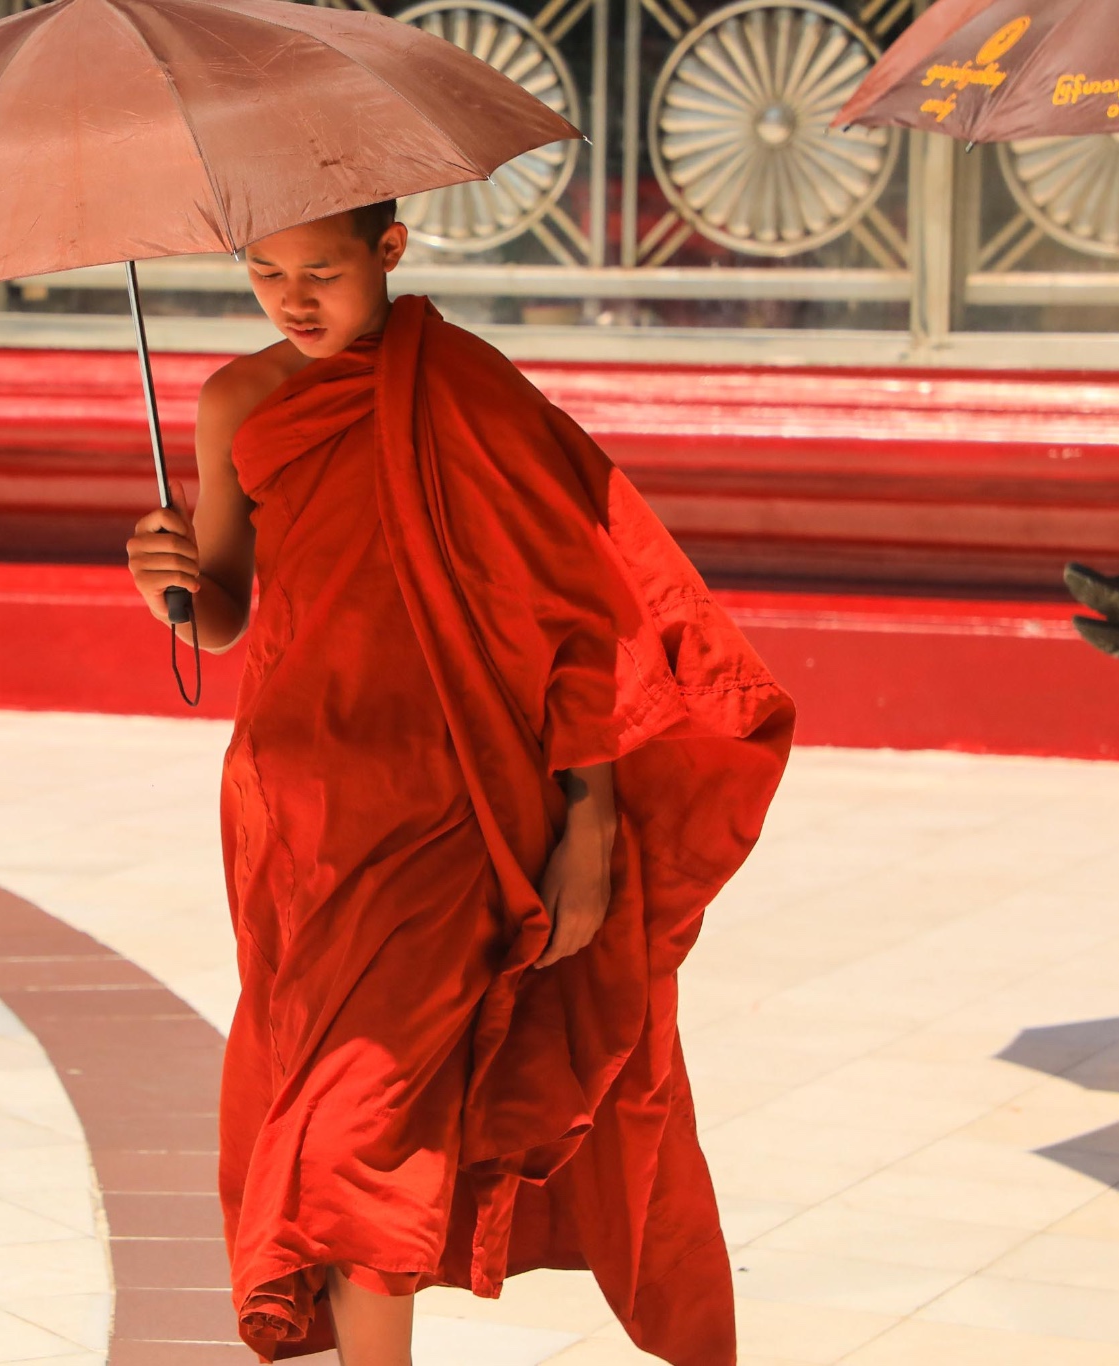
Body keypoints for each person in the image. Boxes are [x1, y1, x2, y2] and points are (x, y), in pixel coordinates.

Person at [126, 203, 793, 1366]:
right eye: (266, 273)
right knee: (336, 1107)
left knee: (354, 1124)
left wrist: (586, 817)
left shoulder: (467, 392)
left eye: (322, 271)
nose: (293, 299)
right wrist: (169, 582)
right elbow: (227, 613)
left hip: (452, 805)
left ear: (387, 253)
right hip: (298, 812)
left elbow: (571, 611)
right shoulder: (235, 401)